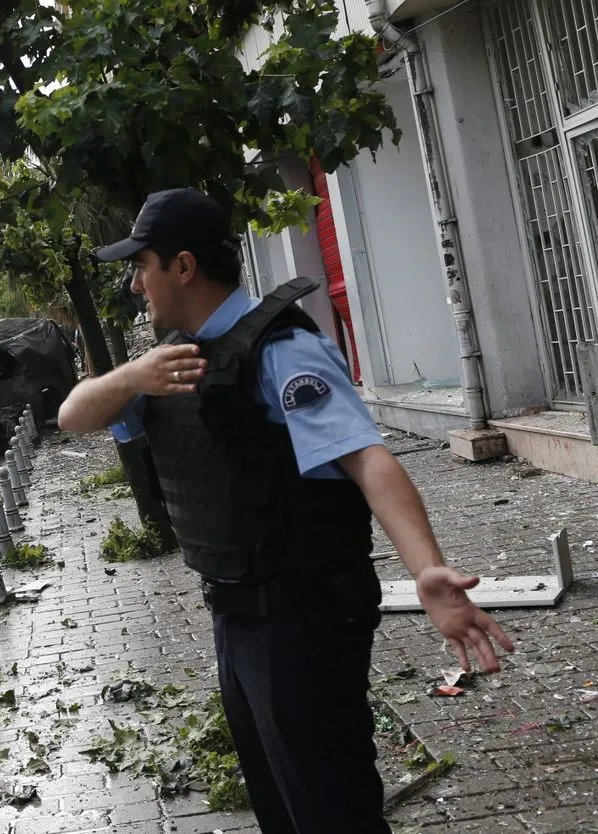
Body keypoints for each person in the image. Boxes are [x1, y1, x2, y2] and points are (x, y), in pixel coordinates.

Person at [58, 188, 515, 834]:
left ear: (183, 267)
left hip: (303, 622)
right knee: (283, 810)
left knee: (331, 812)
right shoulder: (172, 365)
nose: (136, 285)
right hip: (238, 623)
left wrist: (427, 570)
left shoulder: (279, 351)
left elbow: (368, 458)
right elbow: (72, 415)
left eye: (143, 266)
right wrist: (131, 377)